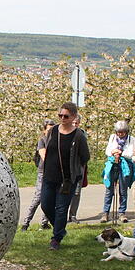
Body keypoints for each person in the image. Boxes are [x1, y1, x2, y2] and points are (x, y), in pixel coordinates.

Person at [39, 102, 90, 250]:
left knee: (61, 209)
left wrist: (75, 171)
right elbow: (48, 149)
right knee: (46, 205)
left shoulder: (78, 135)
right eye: (60, 115)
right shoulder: (53, 131)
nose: (62, 118)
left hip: (67, 179)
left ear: (73, 116)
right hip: (49, 176)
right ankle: (60, 229)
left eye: (66, 116)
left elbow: (85, 156)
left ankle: (56, 239)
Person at [20, 119, 54, 231]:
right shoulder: (42, 140)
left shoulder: (56, 141)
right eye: (49, 129)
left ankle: (44, 223)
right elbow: (43, 154)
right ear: (44, 130)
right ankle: (26, 223)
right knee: (38, 198)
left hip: (53, 173)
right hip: (43, 173)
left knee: (49, 199)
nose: (51, 132)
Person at [101, 120, 135, 223]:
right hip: (113, 164)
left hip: (125, 165)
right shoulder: (112, 137)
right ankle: (105, 213)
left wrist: (120, 153)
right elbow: (108, 151)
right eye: (118, 132)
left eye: (122, 132)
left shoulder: (132, 139)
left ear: (126, 131)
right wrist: (113, 152)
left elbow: (131, 154)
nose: (120, 134)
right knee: (109, 190)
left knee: (123, 190)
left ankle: (122, 213)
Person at [68, 114, 85, 223]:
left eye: (76, 123)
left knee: (76, 192)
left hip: (78, 167)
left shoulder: (82, 134)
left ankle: (73, 215)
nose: (74, 125)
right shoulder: (65, 133)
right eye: (73, 123)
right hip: (67, 168)